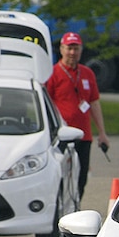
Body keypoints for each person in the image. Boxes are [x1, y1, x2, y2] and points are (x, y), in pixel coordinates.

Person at [46, 32, 110, 205]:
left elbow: (94, 103)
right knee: (62, 175)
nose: (72, 52)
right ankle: (59, 208)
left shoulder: (87, 73)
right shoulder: (53, 73)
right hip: (62, 135)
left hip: (84, 136)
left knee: (81, 178)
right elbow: (47, 105)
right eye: (69, 48)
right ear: (61, 49)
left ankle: (75, 207)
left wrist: (102, 133)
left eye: (76, 48)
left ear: (81, 50)